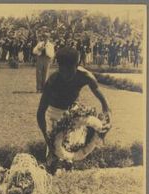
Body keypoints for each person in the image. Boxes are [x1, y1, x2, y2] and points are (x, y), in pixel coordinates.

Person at [36, 47, 112, 175]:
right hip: (54, 114)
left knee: (70, 156)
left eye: (70, 71)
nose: (66, 75)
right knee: (54, 158)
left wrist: (108, 120)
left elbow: (104, 103)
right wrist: (47, 138)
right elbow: (40, 113)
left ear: (77, 65)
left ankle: (69, 177)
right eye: (63, 71)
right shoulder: (52, 81)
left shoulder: (85, 76)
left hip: (74, 114)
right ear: (58, 66)